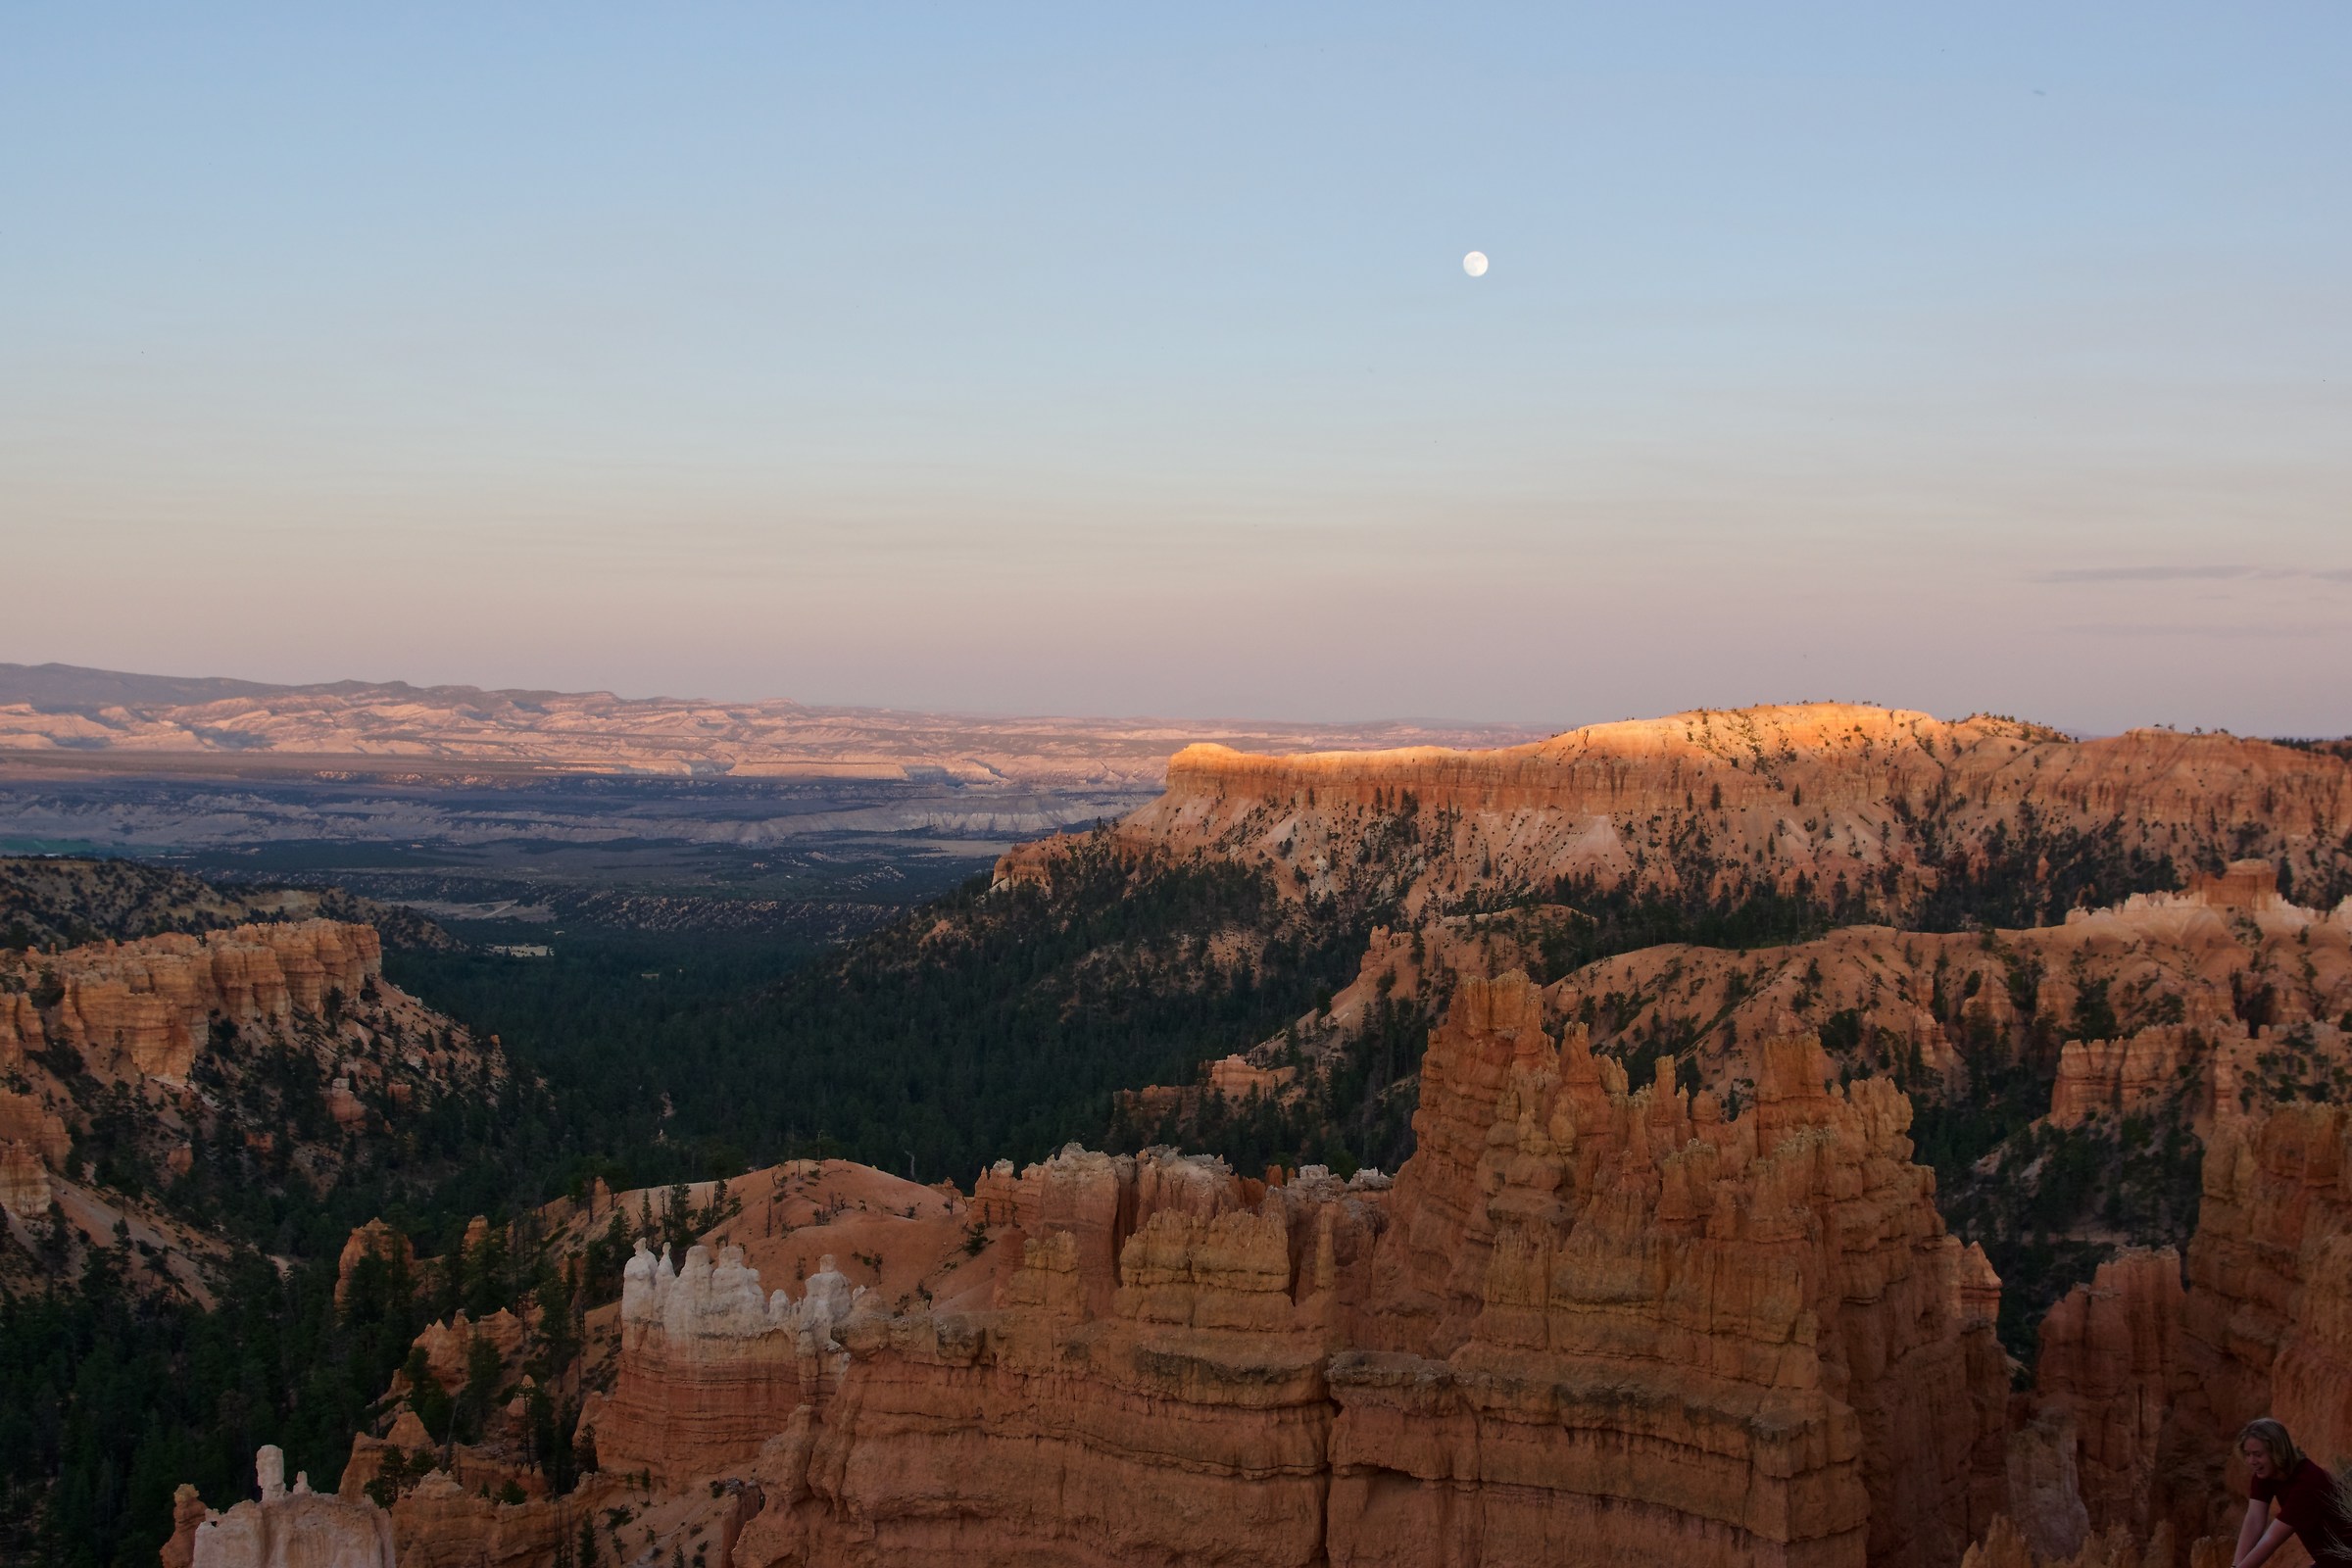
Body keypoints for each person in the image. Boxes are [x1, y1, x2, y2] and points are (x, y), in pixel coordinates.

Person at [2235, 1419, 2352, 1568]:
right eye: (2248, 1454)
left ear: (2277, 1451)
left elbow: (2272, 1539)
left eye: (2257, 1454)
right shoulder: (2265, 1473)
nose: (2252, 1461)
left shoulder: (2308, 1482)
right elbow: (2254, 1519)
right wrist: (2235, 1565)